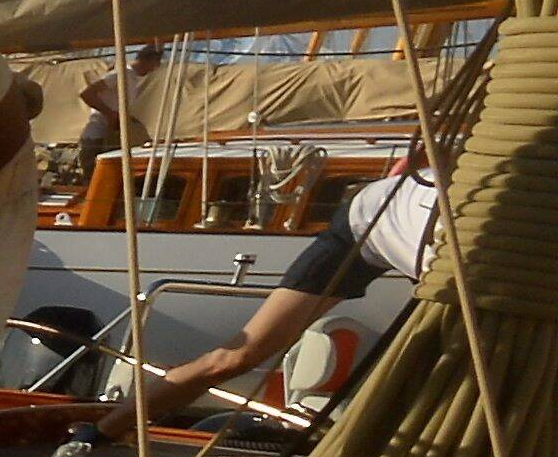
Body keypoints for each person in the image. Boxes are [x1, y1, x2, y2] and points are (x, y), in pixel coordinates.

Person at [145, 144, 433, 418]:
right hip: (365, 220)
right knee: (236, 357)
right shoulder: (439, 237)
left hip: (410, 222)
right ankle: (120, 423)